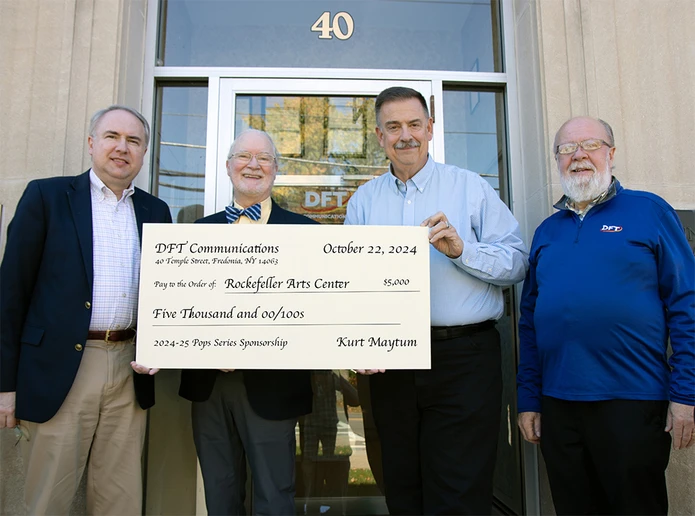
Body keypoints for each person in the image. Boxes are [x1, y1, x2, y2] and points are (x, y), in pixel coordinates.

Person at [344, 87, 528, 515]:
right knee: (401, 486)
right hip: (390, 365)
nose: (404, 135)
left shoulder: (470, 189)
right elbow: (352, 287)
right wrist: (356, 341)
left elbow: (517, 263)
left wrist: (463, 250)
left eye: (413, 124)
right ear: (379, 136)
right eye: (393, 127)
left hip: (463, 358)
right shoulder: (363, 202)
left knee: (460, 491)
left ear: (430, 128)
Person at [517, 116, 695, 515]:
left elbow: (687, 302)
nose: (578, 156)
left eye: (591, 145)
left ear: (611, 154)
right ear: (557, 160)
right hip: (559, 405)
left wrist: (686, 392)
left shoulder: (648, 211)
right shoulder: (547, 231)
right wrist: (529, 398)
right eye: (566, 149)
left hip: (633, 401)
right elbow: (530, 323)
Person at [0, 105, 172, 515]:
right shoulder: (47, 197)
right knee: (49, 498)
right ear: (92, 142)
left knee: (120, 496)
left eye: (134, 141)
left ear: (144, 152)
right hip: (62, 368)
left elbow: (165, 294)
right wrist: (5, 385)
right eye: (112, 136)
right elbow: (10, 294)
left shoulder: (156, 211)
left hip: (129, 370)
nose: (122, 148)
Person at [178, 129, 315, 515]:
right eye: (243, 156)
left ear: (276, 169)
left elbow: (317, 311)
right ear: (227, 166)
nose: (253, 165)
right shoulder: (196, 234)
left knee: (274, 495)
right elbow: (180, 304)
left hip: (274, 385)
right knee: (220, 494)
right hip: (209, 384)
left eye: (264, 158)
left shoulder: (306, 234)